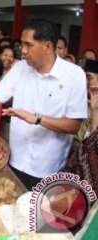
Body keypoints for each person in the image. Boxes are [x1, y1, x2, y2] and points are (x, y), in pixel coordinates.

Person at [0, 19, 87, 189]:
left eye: (28, 45)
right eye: (22, 45)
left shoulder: (74, 75)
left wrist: (37, 119)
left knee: (36, 213)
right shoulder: (20, 68)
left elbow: (73, 125)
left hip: (46, 168)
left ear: (47, 47)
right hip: (14, 159)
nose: (23, 51)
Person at [65, 60, 98, 194]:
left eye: (89, 77)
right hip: (74, 156)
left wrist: (95, 111)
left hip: (88, 165)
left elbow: (92, 142)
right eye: (85, 77)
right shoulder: (81, 97)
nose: (86, 82)